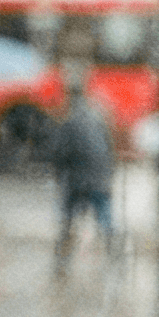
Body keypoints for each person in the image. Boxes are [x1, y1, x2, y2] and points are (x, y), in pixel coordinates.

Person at [49, 88, 116, 276]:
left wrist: (59, 175)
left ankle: (61, 263)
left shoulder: (69, 123)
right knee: (105, 220)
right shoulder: (98, 120)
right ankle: (114, 257)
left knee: (68, 221)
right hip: (100, 179)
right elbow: (109, 150)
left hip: (78, 181)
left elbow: (60, 153)